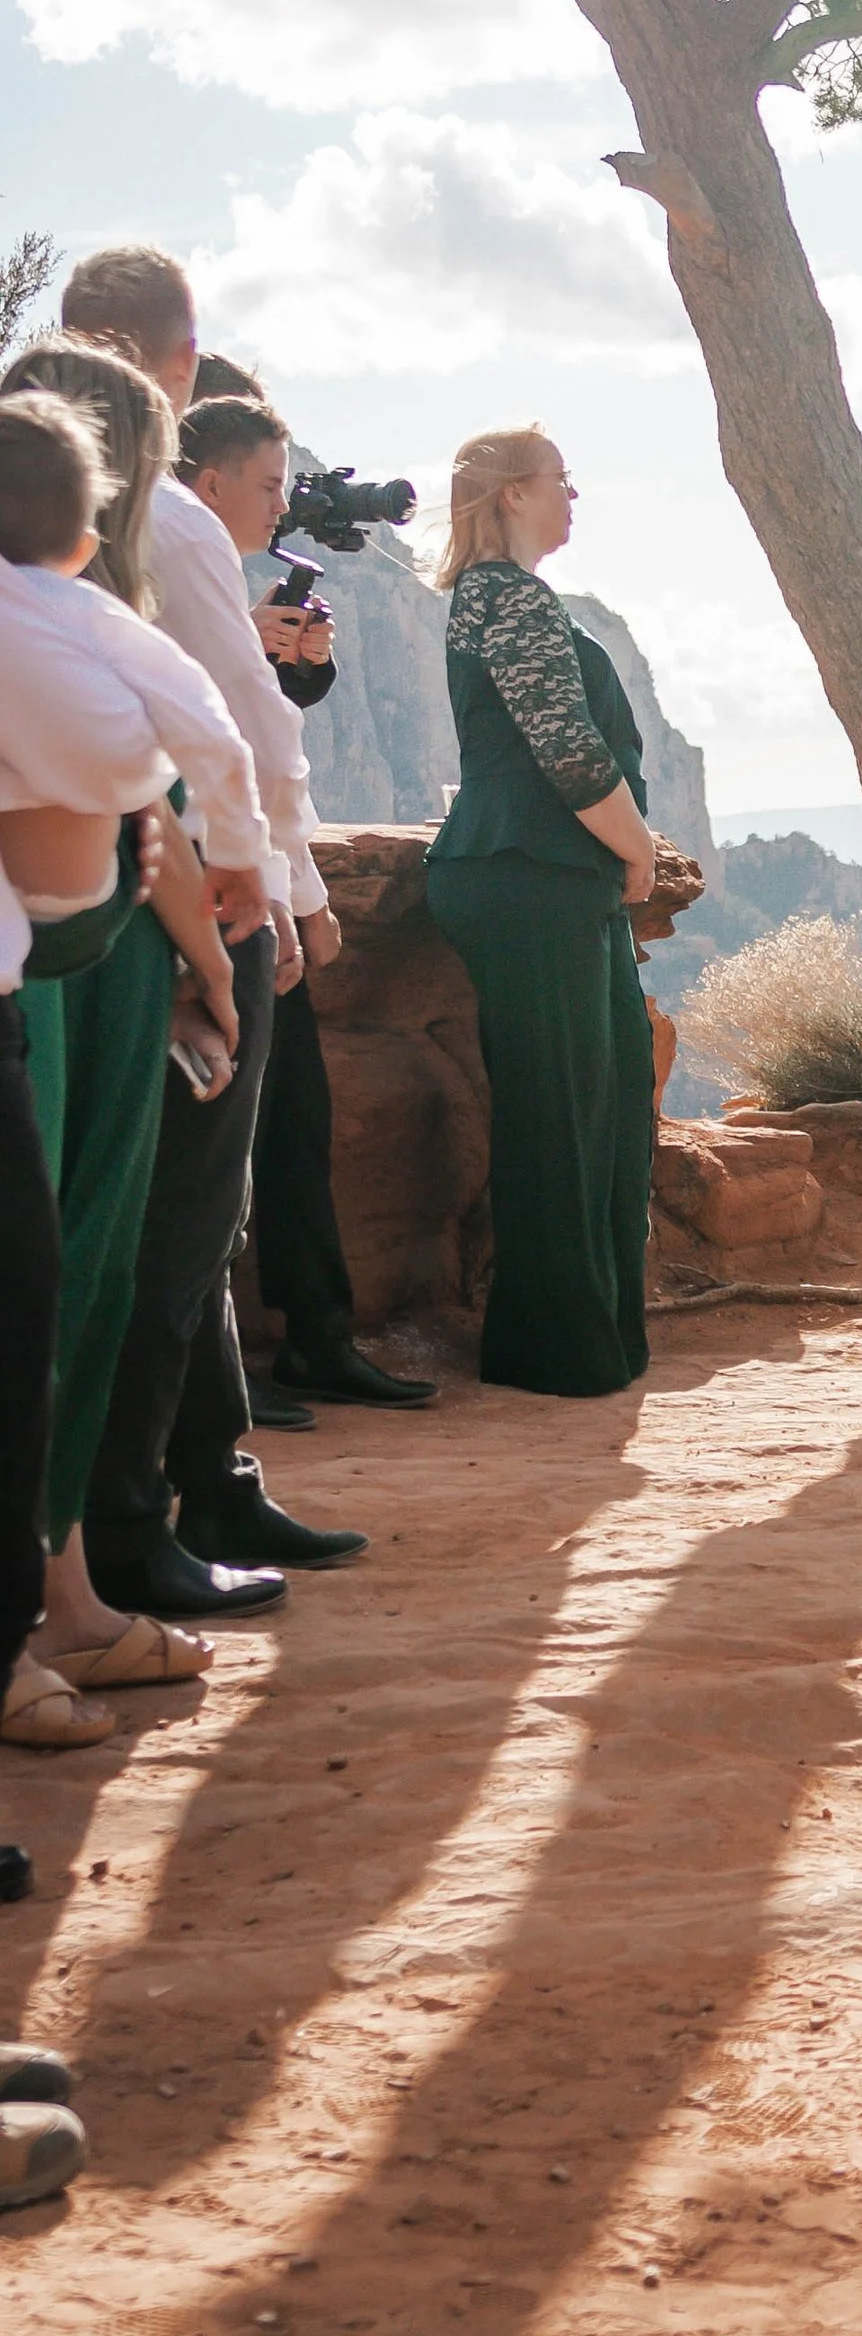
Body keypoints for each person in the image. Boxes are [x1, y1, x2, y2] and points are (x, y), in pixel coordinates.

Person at [48, 260, 365, 1609]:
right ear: (176, 364)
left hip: (91, 916)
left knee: (158, 1220)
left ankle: (189, 1488)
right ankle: (127, 1527)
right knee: (170, 1221)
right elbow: (233, 735)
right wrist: (282, 892)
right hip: (168, 914)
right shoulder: (163, 529)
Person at [0, 365, 266, 1715]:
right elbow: (146, 798)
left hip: (87, 953)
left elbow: (146, 808)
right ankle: (44, 1618)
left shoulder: (65, 624)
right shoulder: (67, 629)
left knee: (62, 1283)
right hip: (62, 976)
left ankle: (64, 1600)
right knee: (53, 1280)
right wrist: (219, 951)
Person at [177, 384, 435, 1420]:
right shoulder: (178, 565)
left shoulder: (217, 580)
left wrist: (296, 667)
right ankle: (226, 1378)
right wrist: (302, 896)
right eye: (272, 485)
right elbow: (231, 748)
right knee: (224, 1151)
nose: (283, 505)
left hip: (255, 881)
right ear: (212, 481)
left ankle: (316, 1340)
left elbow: (263, 728)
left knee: (293, 1126)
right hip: (213, 887)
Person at [426, 426, 658, 1396]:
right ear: (511, 495)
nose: (574, 496)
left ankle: (590, 1339)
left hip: (554, 880)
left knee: (602, 1107)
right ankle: (552, 1353)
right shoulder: (500, 597)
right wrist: (639, 849)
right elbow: (566, 754)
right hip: (527, 877)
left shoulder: (514, 598)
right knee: (560, 1110)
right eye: (560, 481)